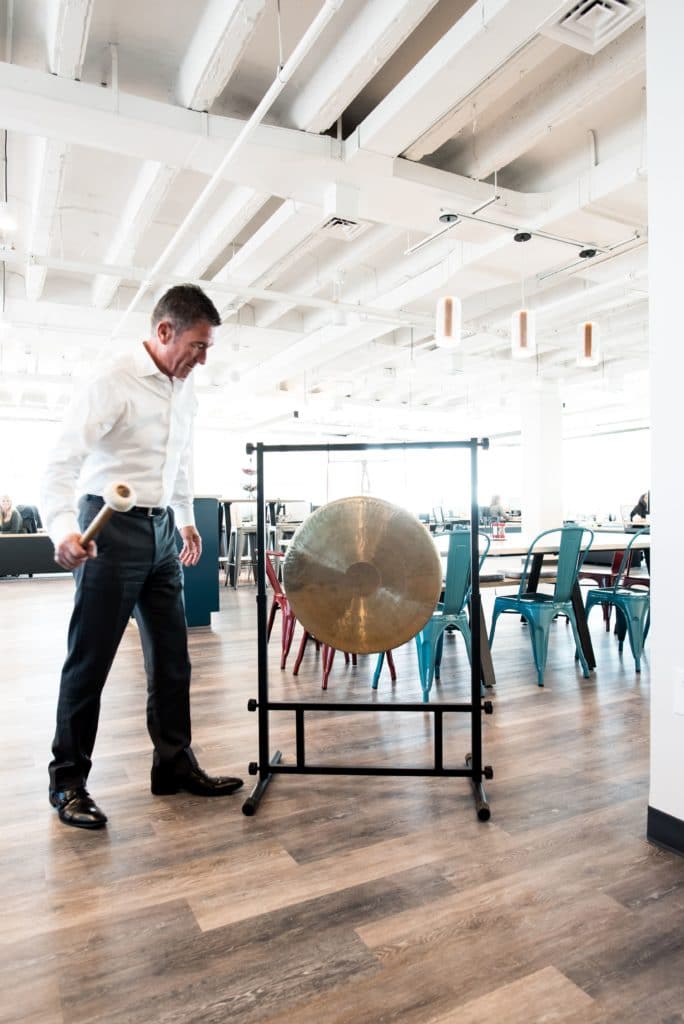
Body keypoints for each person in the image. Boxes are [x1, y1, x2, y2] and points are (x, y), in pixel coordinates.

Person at [41, 284, 243, 830]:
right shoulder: (113, 382)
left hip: (159, 534)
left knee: (172, 661)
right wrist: (62, 528)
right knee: (90, 662)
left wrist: (184, 519)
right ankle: (67, 783)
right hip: (107, 529)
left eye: (207, 348)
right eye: (198, 345)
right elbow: (60, 461)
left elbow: (179, 458)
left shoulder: (185, 388)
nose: (203, 358)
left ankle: (173, 765)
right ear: (163, 332)